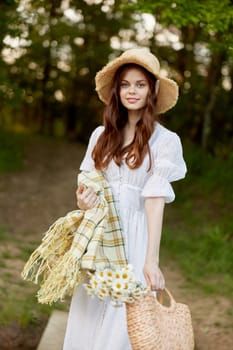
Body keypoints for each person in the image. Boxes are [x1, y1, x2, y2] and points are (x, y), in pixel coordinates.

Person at [63, 48, 187, 350]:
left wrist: (151, 260)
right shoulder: (100, 136)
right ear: (117, 90)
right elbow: (86, 187)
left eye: (141, 84)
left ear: (152, 90)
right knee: (89, 310)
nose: (132, 91)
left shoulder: (166, 141)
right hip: (100, 237)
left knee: (124, 319)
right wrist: (84, 202)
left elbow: (155, 201)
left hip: (134, 236)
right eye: (125, 84)